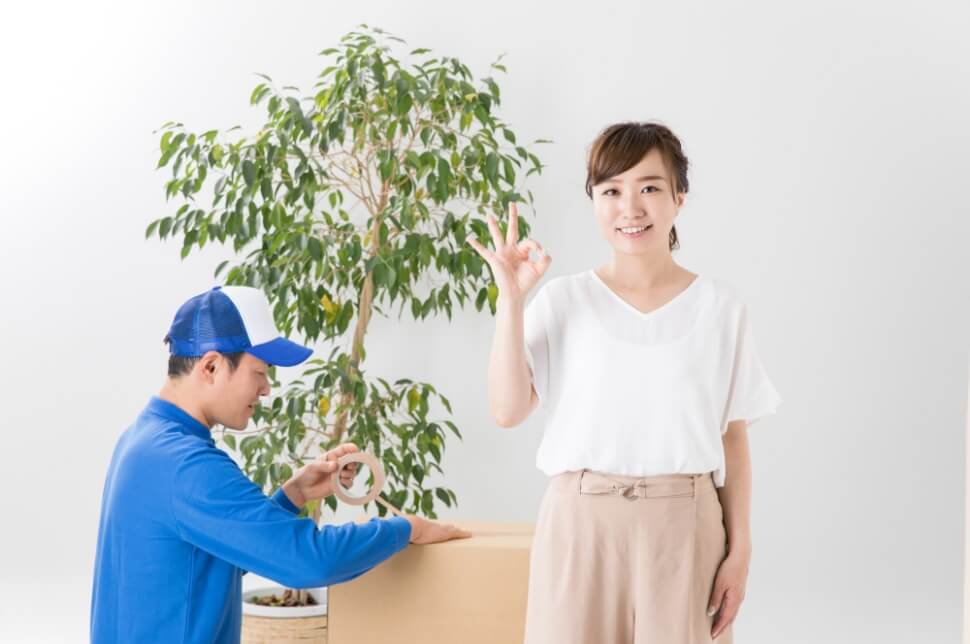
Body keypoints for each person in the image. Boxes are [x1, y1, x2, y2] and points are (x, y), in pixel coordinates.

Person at [467, 121, 782, 643]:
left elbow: (733, 436)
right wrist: (511, 301)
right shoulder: (563, 301)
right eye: (611, 191)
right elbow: (507, 410)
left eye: (650, 188)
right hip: (580, 526)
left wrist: (740, 550)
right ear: (594, 201)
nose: (630, 208)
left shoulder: (720, 307)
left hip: (685, 525)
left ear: (679, 198)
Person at [90, 284, 469, 643]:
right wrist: (406, 529)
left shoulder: (143, 441)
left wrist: (295, 493)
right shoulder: (186, 465)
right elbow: (310, 561)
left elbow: (215, 556)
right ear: (211, 367)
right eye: (259, 372)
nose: (267, 388)